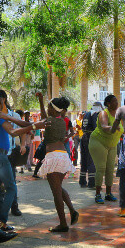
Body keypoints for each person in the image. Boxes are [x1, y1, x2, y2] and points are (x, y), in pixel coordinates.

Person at [0, 90, 45, 230]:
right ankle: (2, 222)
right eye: (4, 100)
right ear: (1, 101)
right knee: (11, 188)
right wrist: (34, 126)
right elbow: (13, 132)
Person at [33, 92, 78, 232]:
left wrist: (41, 100)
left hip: (53, 157)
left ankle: (63, 224)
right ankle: (72, 210)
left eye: (48, 107)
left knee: (56, 193)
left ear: (53, 109)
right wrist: (42, 101)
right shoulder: (61, 120)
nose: (46, 109)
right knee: (58, 188)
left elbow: (43, 116)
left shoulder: (51, 120)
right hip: (62, 156)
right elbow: (44, 115)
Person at [88, 95, 123, 204]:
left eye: (117, 101)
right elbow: (104, 126)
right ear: (108, 104)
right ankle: (98, 194)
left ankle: (108, 194)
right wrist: (112, 128)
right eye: (114, 101)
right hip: (98, 142)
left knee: (110, 169)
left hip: (112, 145)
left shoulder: (119, 115)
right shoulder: (104, 113)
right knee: (101, 168)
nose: (116, 103)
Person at [79, 102, 102, 188]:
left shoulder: (86, 114)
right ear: (99, 107)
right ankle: (92, 183)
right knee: (92, 160)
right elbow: (96, 128)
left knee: (84, 160)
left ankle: (82, 181)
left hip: (84, 137)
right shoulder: (94, 114)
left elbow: (82, 127)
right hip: (91, 138)